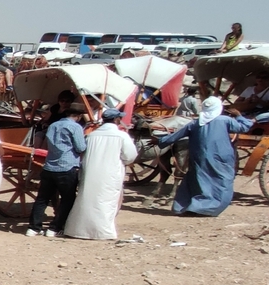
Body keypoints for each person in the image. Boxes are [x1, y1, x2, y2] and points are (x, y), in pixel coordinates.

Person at [156, 97, 257, 216]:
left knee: (196, 180)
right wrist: (239, 116)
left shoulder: (195, 123)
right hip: (221, 157)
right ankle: (207, 208)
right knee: (221, 181)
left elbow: (176, 135)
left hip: (199, 157)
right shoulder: (225, 120)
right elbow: (244, 127)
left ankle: (187, 206)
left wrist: (160, 141)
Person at [63, 108, 139, 239]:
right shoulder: (121, 136)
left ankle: (78, 230)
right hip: (110, 173)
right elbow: (130, 156)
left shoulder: (91, 136)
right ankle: (103, 232)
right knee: (106, 202)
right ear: (116, 120)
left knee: (86, 200)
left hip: (90, 172)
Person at [28, 102, 86, 237]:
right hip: (67, 166)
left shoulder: (53, 125)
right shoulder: (76, 127)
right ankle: (55, 228)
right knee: (67, 199)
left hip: (49, 166)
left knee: (42, 199)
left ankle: (34, 228)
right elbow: (80, 147)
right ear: (78, 116)